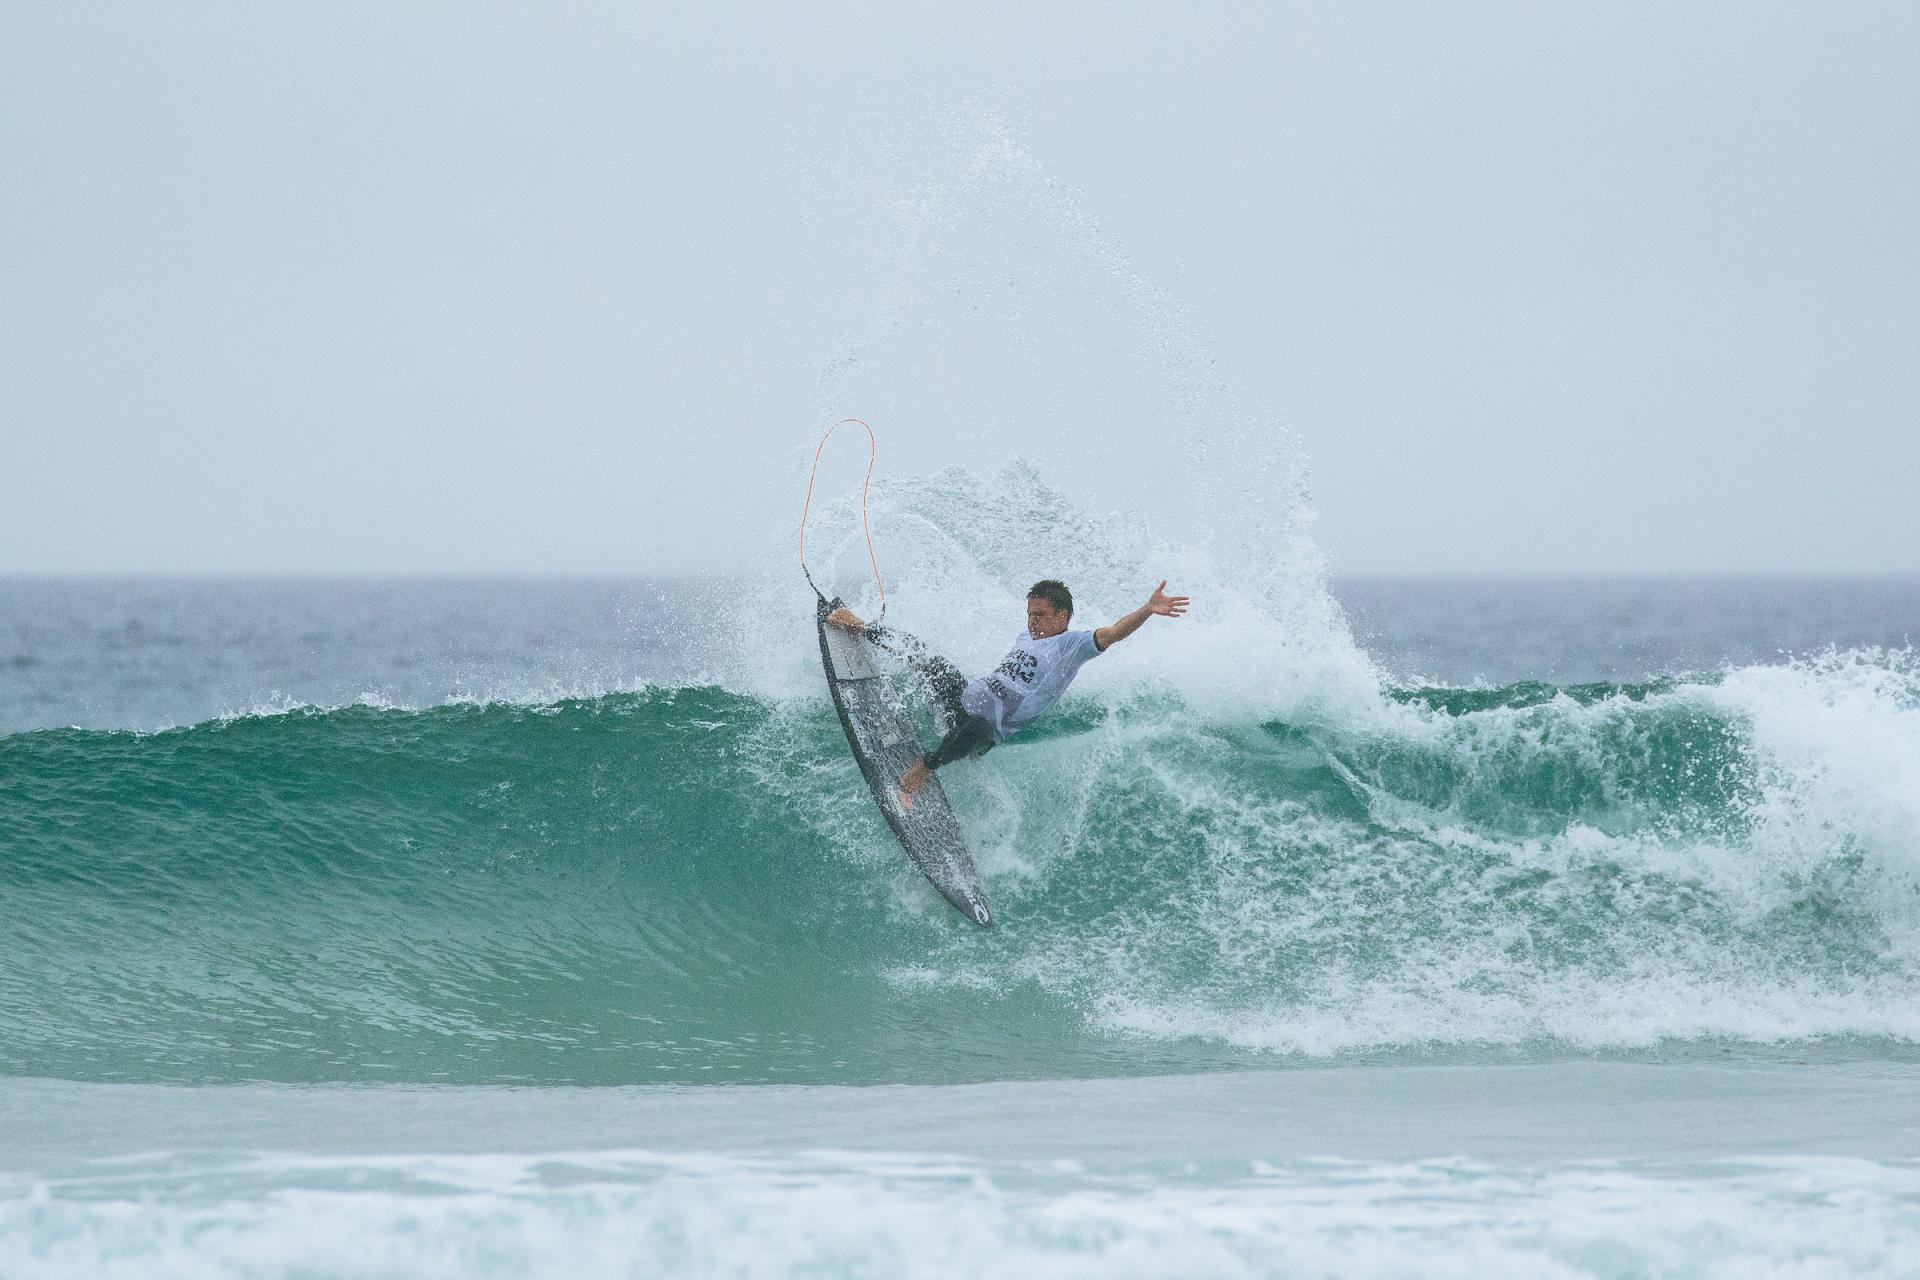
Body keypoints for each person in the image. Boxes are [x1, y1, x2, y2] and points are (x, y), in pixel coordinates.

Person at [828, 578, 1190, 809]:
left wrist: (1147, 609)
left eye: (1042, 615)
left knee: (977, 726)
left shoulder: (1072, 645)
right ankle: (858, 626)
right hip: (967, 699)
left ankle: (922, 771)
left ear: (1063, 615)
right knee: (928, 660)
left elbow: (1112, 633)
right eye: (1030, 614)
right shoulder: (1027, 637)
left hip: (985, 732)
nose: (1033, 621)